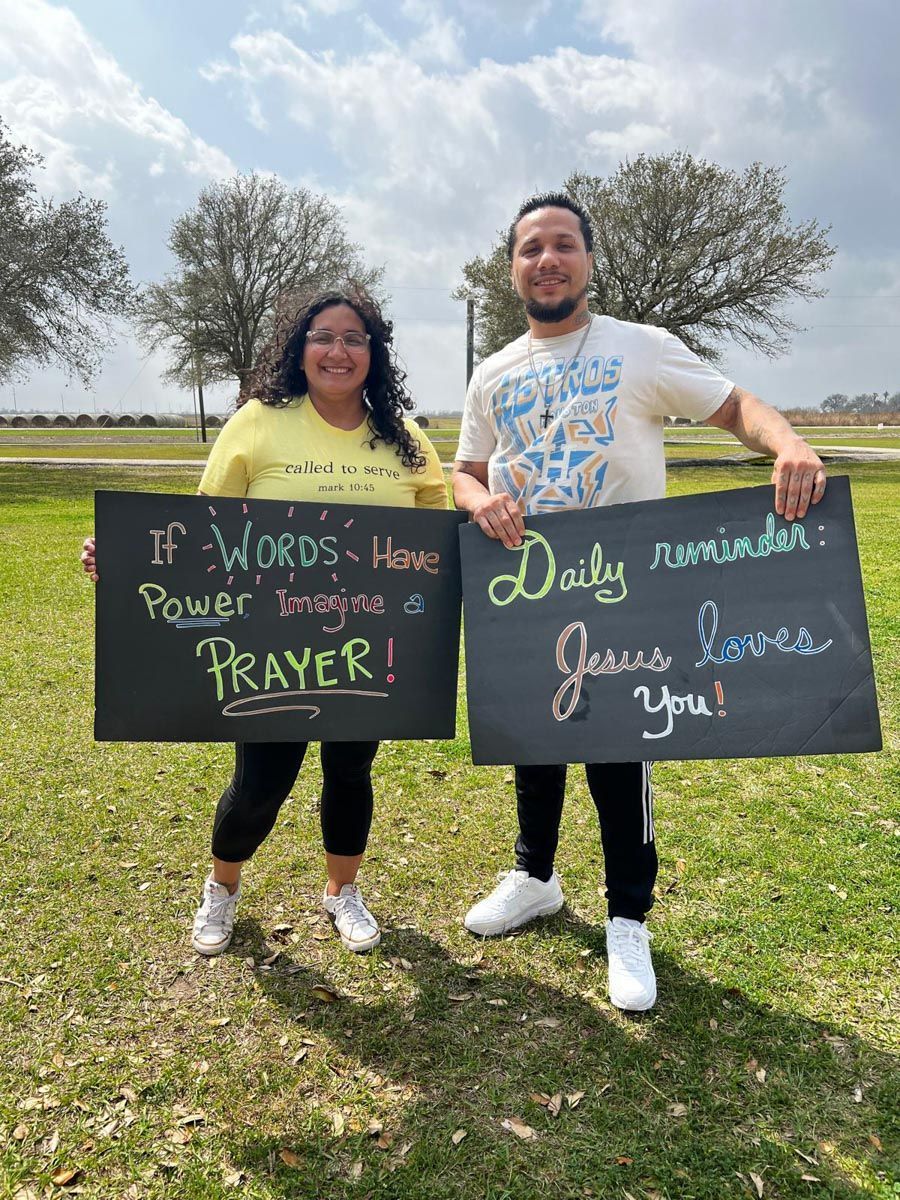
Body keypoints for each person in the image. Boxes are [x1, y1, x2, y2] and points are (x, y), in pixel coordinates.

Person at [451, 193, 826, 1012]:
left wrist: (790, 442)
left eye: (562, 245)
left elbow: (735, 408)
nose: (546, 259)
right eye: (529, 248)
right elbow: (467, 469)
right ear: (511, 266)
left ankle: (628, 919)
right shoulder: (494, 371)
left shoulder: (641, 348)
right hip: (526, 589)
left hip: (626, 589)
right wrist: (475, 500)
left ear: (588, 259)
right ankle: (535, 876)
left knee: (620, 756)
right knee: (533, 741)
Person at [82, 287, 448, 957]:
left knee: (350, 774)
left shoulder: (405, 439)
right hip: (270, 654)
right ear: (299, 348)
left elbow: (436, 542)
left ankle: (342, 891)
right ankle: (221, 888)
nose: (338, 351)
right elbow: (201, 533)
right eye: (323, 337)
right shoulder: (258, 422)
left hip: (367, 651)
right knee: (259, 787)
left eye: (354, 338)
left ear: (375, 352)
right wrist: (131, 556)